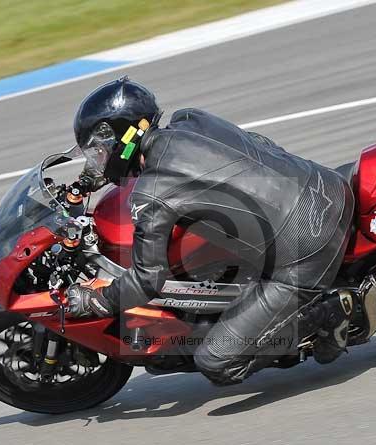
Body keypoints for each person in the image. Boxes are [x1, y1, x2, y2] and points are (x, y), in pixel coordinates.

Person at [67, 77, 355, 385]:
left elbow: (148, 278)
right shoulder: (190, 119)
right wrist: (91, 178)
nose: (97, 161)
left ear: (120, 142)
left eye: (98, 153)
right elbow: (261, 144)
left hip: (305, 248)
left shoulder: (153, 192)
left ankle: (326, 314)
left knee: (216, 361)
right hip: (327, 187)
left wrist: (98, 300)